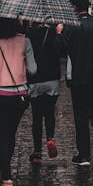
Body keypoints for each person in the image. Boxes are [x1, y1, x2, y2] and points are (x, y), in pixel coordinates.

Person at [58, 0, 93, 167]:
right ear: (88, 6)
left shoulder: (71, 26)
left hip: (79, 78)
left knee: (81, 115)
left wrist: (59, 34)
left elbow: (60, 50)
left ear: (74, 7)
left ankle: (83, 156)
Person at [0, 18, 35, 186]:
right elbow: (32, 69)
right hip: (19, 95)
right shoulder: (25, 41)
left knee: (1, 136)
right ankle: (5, 173)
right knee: (10, 133)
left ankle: (6, 180)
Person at [27, 24, 61, 164]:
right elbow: (62, 51)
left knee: (36, 115)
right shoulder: (54, 32)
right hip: (52, 79)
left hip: (35, 80)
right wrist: (58, 34)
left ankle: (37, 151)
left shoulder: (30, 33)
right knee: (50, 112)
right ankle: (50, 139)